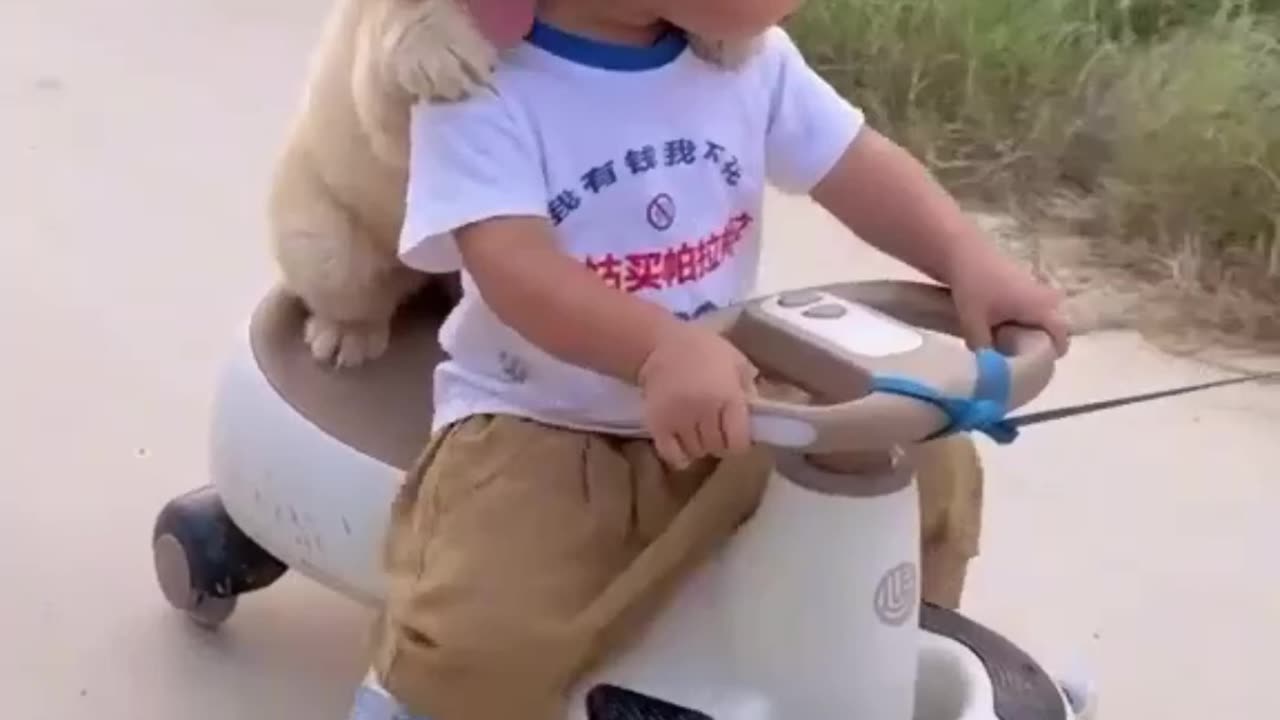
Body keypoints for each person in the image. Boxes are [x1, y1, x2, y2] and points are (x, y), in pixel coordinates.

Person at [352, 1, 1070, 718]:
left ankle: (887, 664)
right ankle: (419, 701)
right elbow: (514, 264)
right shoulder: (484, 85)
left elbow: (856, 163)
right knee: (483, 637)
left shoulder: (747, 59)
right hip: (549, 424)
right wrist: (657, 348)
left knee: (918, 466)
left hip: (733, 403)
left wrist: (965, 257)